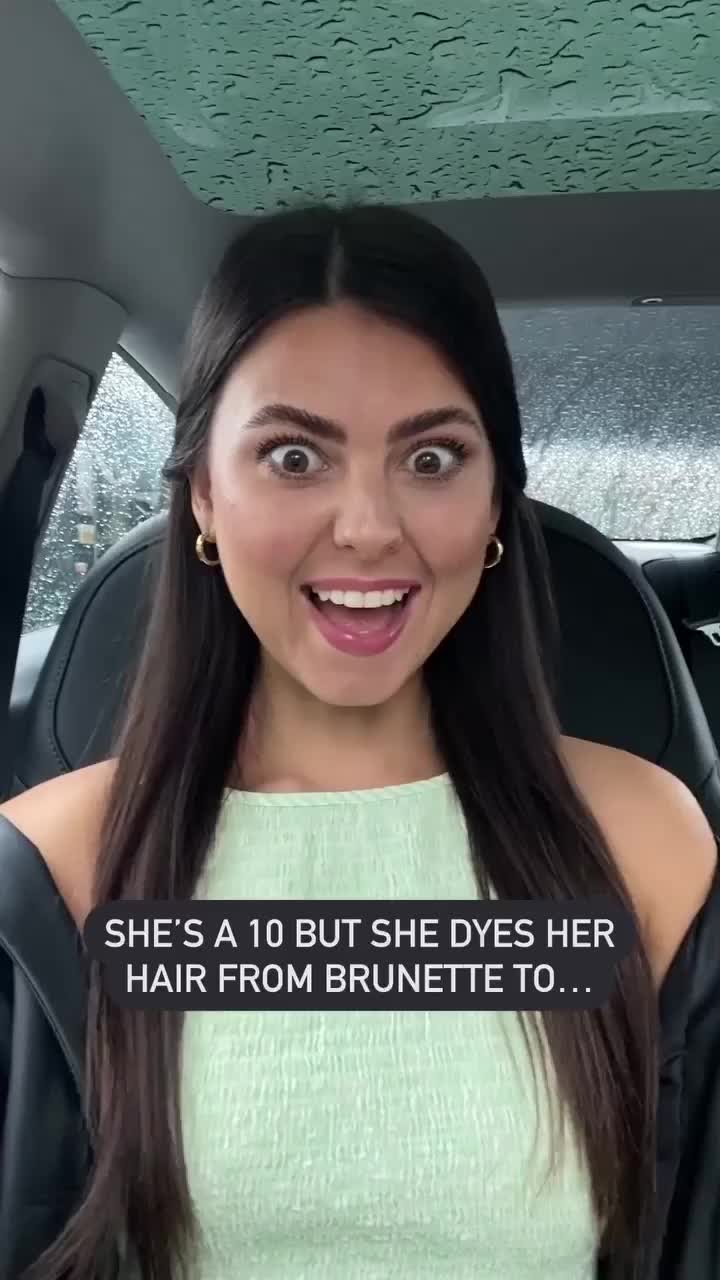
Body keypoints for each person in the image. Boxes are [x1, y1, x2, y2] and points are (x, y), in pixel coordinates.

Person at [0, 202, 718, 1280]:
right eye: (294, 456)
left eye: (433, 457)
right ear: (204, 493)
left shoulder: (643, 846)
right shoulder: (51, 870)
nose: (370, 527)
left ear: (495, 501)